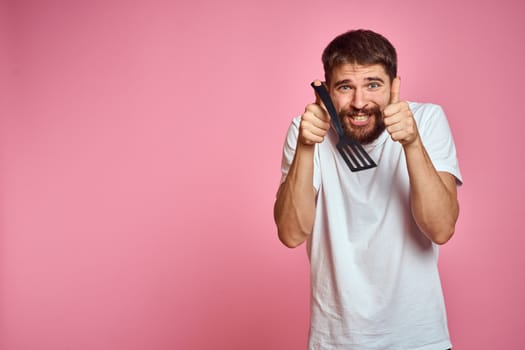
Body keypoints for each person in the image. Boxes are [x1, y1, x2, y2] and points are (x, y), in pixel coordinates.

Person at [273, 29, 462, 350]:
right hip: (334, 341)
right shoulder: (306, 130)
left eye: (373, 85)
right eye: (345, 87)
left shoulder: (426, 121)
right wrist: (307, 146)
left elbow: (441, 229)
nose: (360, 103)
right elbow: (291, 234)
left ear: (393, 85)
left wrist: (412, 143)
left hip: (419, 339)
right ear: (327, 91)